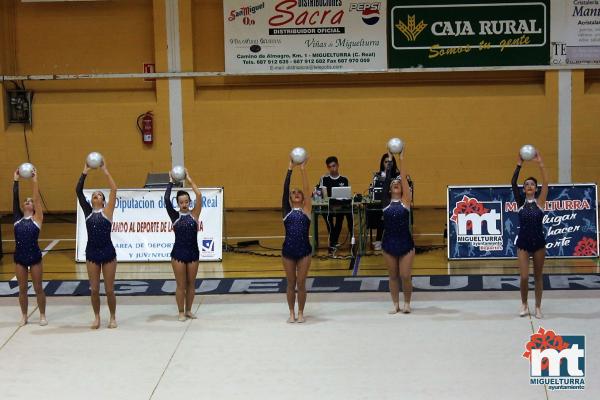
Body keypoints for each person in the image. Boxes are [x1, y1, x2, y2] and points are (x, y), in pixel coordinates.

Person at [76, 160, 118, 329]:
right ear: (91, 200)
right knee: (94, 289)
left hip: (108, 252)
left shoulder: (108, 211)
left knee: (109, 290)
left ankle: (113, 316)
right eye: (94, 195)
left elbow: (114, 189)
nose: (96, 197)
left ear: (103, 200)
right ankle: (97, 316)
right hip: (92, 252)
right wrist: (84, 172)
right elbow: (78, 191)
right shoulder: (87, 212)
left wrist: (105, 171)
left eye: (99, 195)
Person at [512, 151, 548, 319]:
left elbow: (546, 183)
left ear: (535, 188)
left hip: (539, 243)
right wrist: (519, 164)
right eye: (527, 184)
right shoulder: (520, 203)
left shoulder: (540, 202)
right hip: (524, 243)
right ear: (524, 189)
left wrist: (540, 163)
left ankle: (538, 307)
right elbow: (513, 183)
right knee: (525, 277)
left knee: (539, 277)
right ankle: (524, 304)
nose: (529, 186)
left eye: (532, 184)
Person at [164, 169, 202, 321]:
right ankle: (180, 311)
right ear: (178, 203)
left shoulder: (194, 214)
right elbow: (166, 200)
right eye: (181, 202)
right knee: (181, 285)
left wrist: (189, 178)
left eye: (186, 202)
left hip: (193, 253)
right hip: (178, 253)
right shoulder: (175, 216)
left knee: (191, 284)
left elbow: (199, 195)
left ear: (189, 202)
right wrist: (171, 182)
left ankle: (188, 310)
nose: (184, 204)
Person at [381, 150, 415, 314]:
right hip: (388, 242)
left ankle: (407, 303)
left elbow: (403, 178)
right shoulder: (385, 203)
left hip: (405, 242)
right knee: (393, 276)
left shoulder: (405, 201)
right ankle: (395, 304)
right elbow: (388, 178)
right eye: (393, 183)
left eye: (398, 183)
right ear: (389, 189)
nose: (396, 183)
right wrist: (389, 159)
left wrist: (401, 158)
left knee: (405, 275)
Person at [13, 167, 47, 326]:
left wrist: (34, 181)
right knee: (22, 289)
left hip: (34, 257)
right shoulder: (17, 219)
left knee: (38, 287)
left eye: (30, 201)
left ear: (33, 207)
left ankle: (42, 315)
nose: (28, 202)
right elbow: (14, 198)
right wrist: (16, 180)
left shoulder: (37, 219)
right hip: (19, 258)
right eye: (25, 201)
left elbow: (37, 199)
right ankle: (24, 315)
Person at [282, 158, 312, 323]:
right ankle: (291, 312)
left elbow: (307, 190)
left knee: (301, 283)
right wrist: (290, 169)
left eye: (298, 193)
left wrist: (303, 170)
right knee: (291, 283)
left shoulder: (307, 210)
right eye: (294, 193)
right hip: (288, 251)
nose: (296, 194)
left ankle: (301, 312)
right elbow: (285, 190)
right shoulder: (286, 212)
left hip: (304, 251)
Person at [317, 156, 352, 254]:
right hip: (329, 206)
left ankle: (333, 242)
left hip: (341, 206)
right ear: (327, 168)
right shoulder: (324, 179)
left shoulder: (344, 179)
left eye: (334, 166)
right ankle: (334, 241)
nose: (333, 168)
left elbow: (347, 195)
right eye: (330, 167)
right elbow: (320, 193)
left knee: (341, 217)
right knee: (328, 218)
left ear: (338, 165)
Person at [369, 153, 400, 250]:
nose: (388, 164)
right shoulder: (377, 176)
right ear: (382, 163)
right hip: (381, 203)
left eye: (390, 162)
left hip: (395, 203)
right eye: (386, 162)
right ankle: (379, 240)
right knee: (379, 212)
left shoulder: (398, 176)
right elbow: (373, 189)